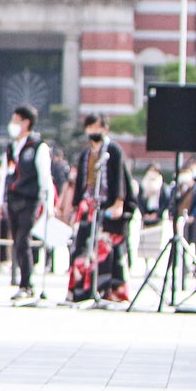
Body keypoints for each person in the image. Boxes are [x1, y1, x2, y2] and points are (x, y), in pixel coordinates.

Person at [64, 113, 132, 303]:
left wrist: (119, 202)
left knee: (107, 251)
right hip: (88, 206)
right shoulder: (85, 154)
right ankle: (80, 291)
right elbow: (80, 182)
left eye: (97, 127)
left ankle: (108, 291)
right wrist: (76, 206)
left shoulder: (114, 150)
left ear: (105, 129)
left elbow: (120, 177)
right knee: (81, 249)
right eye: (90, 127)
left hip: (107, 207)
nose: (93, 131)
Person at [0, 105, 56, 302]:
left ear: (26, 122)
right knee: (17, 241)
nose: (12, 124)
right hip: (13, 198)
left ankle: (27, 284)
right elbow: (4, 174)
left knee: (24, 240)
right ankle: (23, 282)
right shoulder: (11, 148)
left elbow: (44, 176)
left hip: (29, 199)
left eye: (16, 120)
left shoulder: (38, 147)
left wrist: (48, 204)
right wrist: (0, 200)